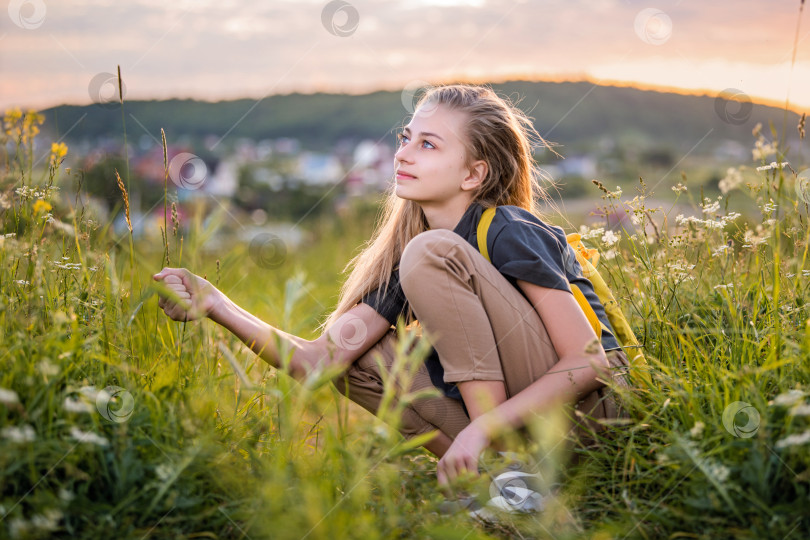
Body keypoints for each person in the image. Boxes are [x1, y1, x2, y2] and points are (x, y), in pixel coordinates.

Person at [153, 84, 631, 489]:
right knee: (356, 361)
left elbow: (592, 361)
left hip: (595, 415)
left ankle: (505, 473)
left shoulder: (507, 229)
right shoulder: (415, 256)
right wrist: (216, 303)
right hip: (526, 426)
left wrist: (483, 426)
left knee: (428, 255)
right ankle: (491, 483)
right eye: (406, 138)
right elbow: (316, 364)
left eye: (428, 144)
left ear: (474, 173)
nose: (402, 152)